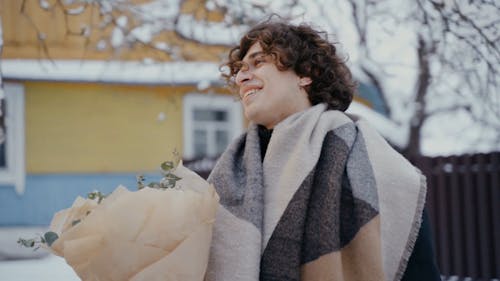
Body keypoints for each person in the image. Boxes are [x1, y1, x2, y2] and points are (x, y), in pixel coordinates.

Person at [205, 18, 441, 281]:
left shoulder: (376, 166)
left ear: (306, 73)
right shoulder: (230, 176)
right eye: (240, 69)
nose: (241, 76)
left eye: (259, 62)